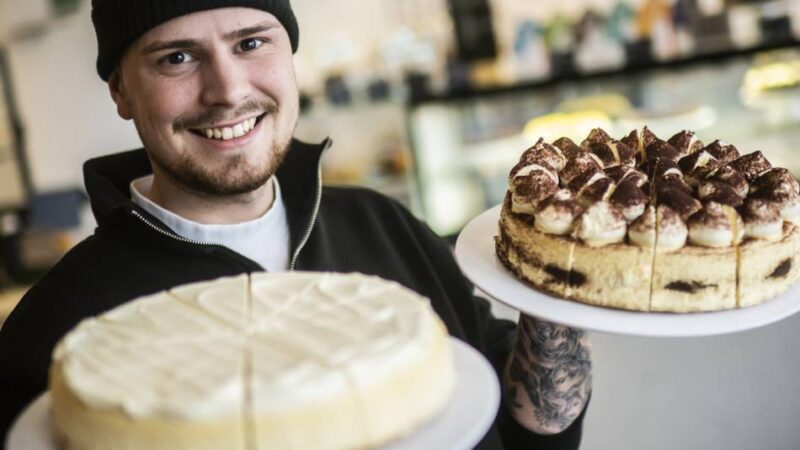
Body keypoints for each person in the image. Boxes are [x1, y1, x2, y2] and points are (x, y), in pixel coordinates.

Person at [0, 2, 592, 448]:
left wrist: (557, 289)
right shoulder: (54, 331)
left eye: (252, 43)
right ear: (121, 90)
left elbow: (526, 426)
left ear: (289, 57)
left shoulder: (384, 222)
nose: (228, 91)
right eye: (176, 57)